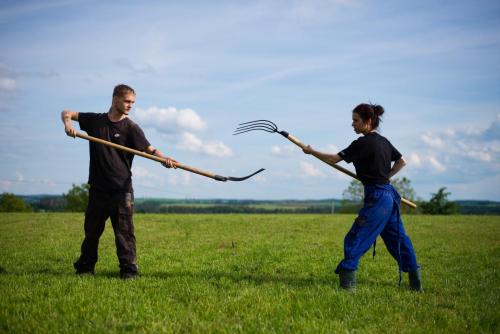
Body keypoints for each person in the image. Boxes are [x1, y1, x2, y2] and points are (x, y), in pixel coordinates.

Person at [61, 84, 177, 279]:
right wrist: (68, 125)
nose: (130, 105)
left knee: (124, 233)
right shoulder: (95, 121)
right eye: (127, 101)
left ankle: (129, 271)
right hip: (98, 188)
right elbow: (67, 112)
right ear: (115, 99)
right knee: (92, 232)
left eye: (133, 102)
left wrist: (164, 159)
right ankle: (85, 268)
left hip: (121, 190)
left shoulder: (131, 127)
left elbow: (149, 149)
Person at [302, 103, 422, 291]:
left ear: (368, 121)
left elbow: (334, 159)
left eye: (356, 121)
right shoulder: (384, 142)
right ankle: (416, 284)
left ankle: (347, 285)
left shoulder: (362, 143)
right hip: (389, 194)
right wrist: (384, 177)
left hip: (378, 197)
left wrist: (311, 152)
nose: (352, 125)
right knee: (398, 239)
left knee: (356, 237)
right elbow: (401, 161)